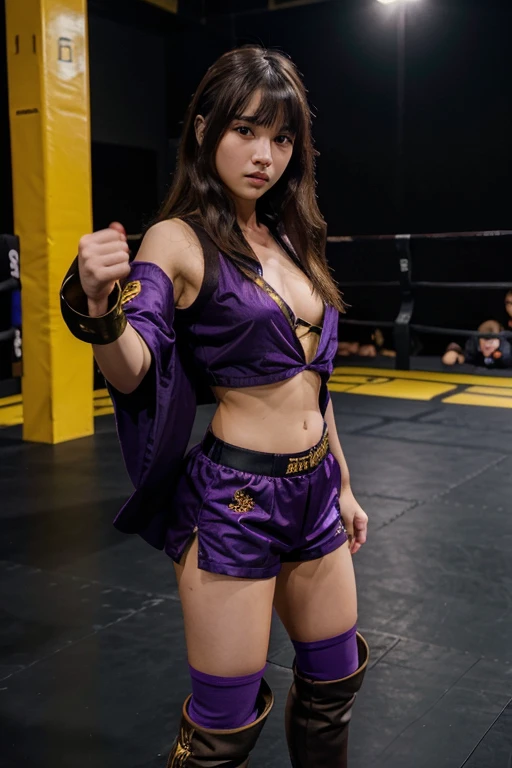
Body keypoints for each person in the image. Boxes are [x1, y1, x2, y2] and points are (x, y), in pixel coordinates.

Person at [60, 46, 369, 767]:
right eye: (247, 130)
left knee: (333, 691)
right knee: (222, 734)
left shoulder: (294, 237)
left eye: (283, 137)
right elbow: (134, 364)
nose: (266, 155)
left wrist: (346, 484)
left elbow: (314, 383)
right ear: (204, 129)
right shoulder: (177, 239)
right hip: (237, 502)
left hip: (317, 488)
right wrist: (101, 306)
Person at [442, 319, 512, 368]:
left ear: (498, 340)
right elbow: (465, 358)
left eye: (491, 341)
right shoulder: (474, 345)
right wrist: (454, 355)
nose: (487, 345)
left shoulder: (506, 351)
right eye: (484, 340)